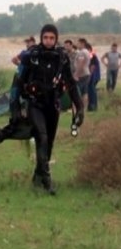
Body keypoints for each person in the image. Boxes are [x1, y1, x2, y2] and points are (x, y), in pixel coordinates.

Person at [11, 24, 84, 195]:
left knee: (49, 143)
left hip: (53, 105)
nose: (49, 41)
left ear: (56, 39)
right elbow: (17, 83)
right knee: (42, 138)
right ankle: (47, 180)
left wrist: (79, 107)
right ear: (41, 38)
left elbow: (71, 84)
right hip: (35, 105)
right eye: (46, 38)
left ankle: (38, 177)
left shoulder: (62, 58)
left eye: (52, 38)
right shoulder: (30, 56)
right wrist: (14, 109)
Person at [74, 38, 91, 108]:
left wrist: (76, 74)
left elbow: (80, 63)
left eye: (78, 43)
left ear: (82, 44)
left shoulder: (81, 52)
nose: (77, 45)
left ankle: (79, 107)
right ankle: (84, 107)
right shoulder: (87, 51)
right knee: (85, 92)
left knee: (78, 92)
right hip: (86, 73)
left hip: (82, 74)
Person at [86, 41, 100, 111]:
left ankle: (93, 106)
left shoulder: (92, 55)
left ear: (88, 49)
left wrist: (89, 76)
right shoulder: (90, 55)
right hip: (92, 76)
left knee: (92, 91)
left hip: (93, 76)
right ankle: (91, 106)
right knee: (90, 91)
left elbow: (92, 67)